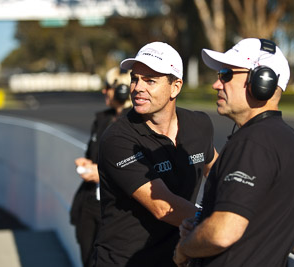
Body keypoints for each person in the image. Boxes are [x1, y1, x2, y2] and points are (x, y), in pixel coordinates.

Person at [174, 38, 294, 267]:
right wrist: (205, 227)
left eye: (226, 75)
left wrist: (185, 248)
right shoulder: (289, 139)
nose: (216, 84)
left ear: (262, 81)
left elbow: (223, 233)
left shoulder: (251, 142)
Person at [93, 42, 218, 267]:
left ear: (175, 87)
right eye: (135, 78)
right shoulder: (118, 139)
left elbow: (219, 173)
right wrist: (225, 225)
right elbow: (163, 207)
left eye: (150, 80)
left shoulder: (199, 125)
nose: (137, 87)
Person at [70, 67, 132, 267]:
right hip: (89, 204)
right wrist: (88, 163)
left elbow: (138, 167)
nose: (104, 91)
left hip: (115, 209)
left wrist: (103, 173)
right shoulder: (101, 120)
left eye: (108, 87)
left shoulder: (138, 124)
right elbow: (92, 155)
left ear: (123, 89)